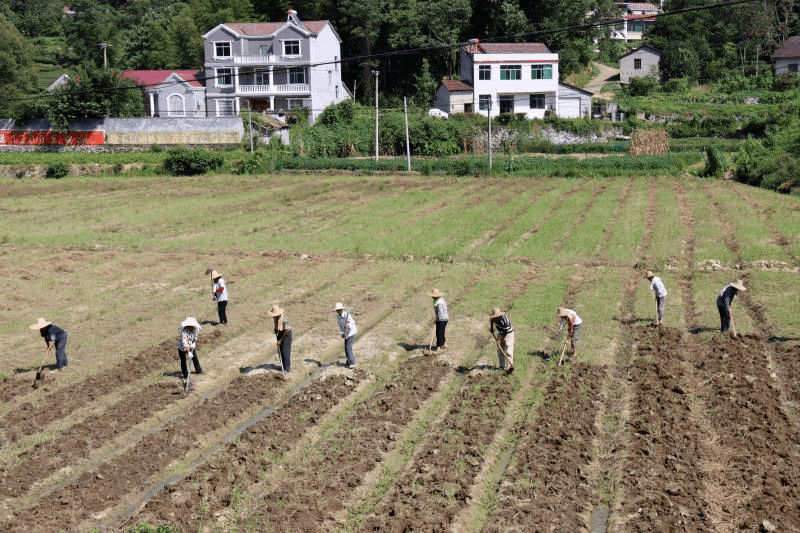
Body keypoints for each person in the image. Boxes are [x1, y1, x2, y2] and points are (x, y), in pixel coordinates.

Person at [178, 317, 203, 389]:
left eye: (192, 326)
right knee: (183, 360)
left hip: (191, 346)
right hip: (182, 348)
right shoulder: (184, 332)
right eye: (190, 326)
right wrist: (188, 351)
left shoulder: (195, 330)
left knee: (195, 358)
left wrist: (193, 343)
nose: (191, 327)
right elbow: (184, 342)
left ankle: (199, 370)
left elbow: (195, 336)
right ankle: (185, 374)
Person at [489, 308, 514, 375]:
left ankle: (508, 367)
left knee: (508, 350)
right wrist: (492, 329)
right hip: (501, 333)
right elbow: (491, 320)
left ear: (499, 316)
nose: (495, 318)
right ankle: (501, 367)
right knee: (500, 350)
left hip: (508, 333)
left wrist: (500, 340)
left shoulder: (505, 321)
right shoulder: (494, 318)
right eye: (495, 317)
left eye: (497, 317)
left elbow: (506, 332)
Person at [334, 302, 357, 368]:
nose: (338, 311)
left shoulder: (347, 315)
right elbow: (340, 326)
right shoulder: (338, 317)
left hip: (351, 333)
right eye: (337, 310)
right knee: (346, 348)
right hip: (346, 334)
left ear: (342, 309)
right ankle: (348, 362)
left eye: (339, 309)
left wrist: (347, 331)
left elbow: (352, 323)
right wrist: (342, 333)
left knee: (348, 347)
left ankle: (352, 362)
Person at [269, 304, 291, 372]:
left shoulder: (284, 318)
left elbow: (285, 330)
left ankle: (287, 368)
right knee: (280, 351)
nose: (274, 316)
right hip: (280, 332)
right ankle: (283, 366)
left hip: (286, 334)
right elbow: (276, 325)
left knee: (285, 351)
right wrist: (275, 330)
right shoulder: (275, 317)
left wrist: (280, 340)